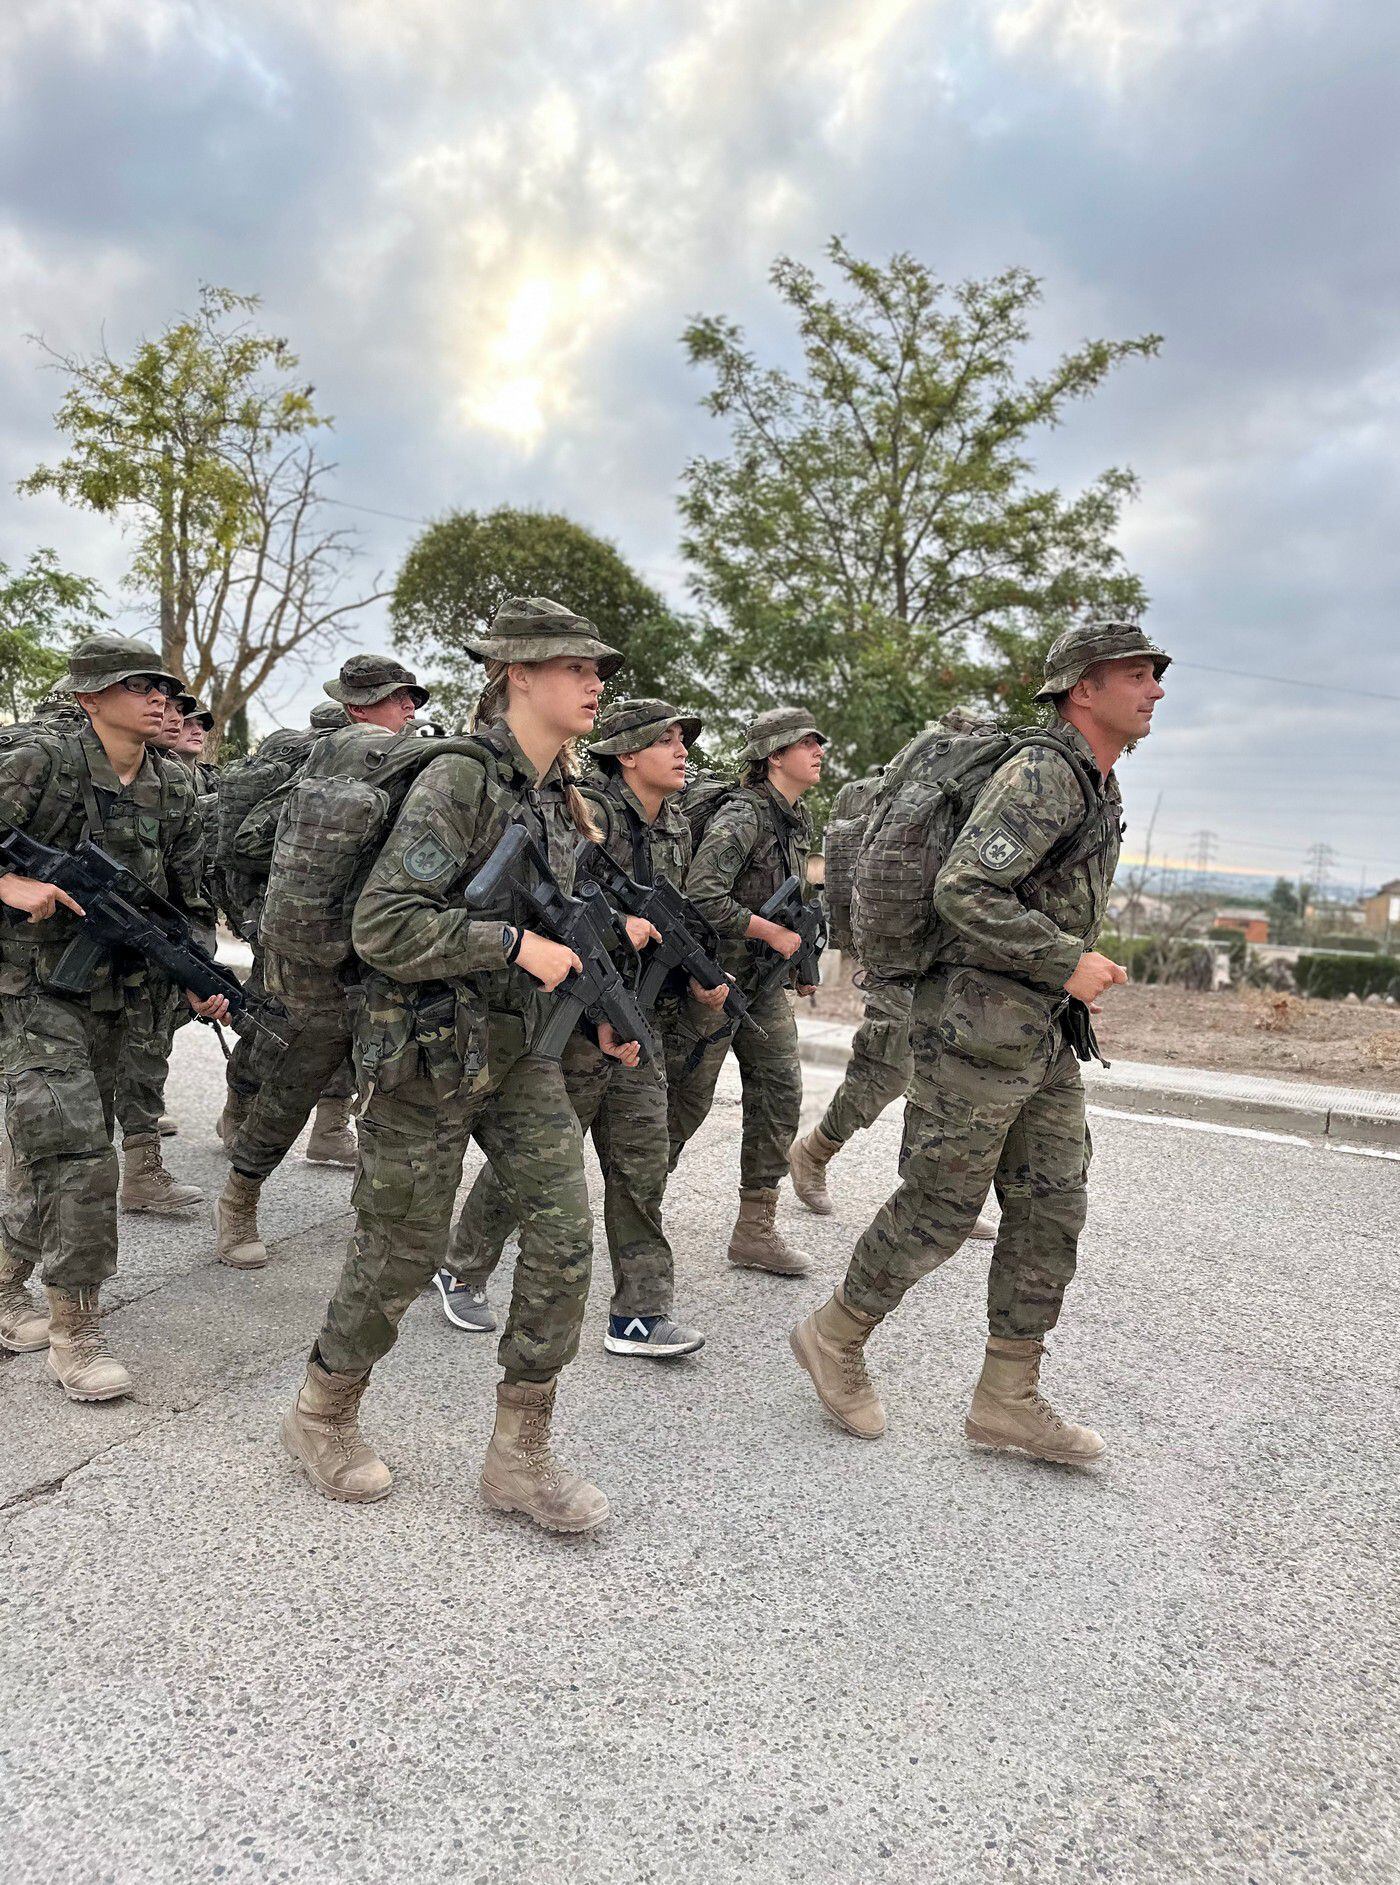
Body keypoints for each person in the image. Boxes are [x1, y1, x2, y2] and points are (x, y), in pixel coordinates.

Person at [281, 597, 641, 1534]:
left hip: (520, 1051)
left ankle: (519, 1454)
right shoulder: (458, 779)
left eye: (597, 668)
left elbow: (564, 925)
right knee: (400, 1249)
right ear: (518, 674)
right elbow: (384, 923)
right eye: (574, 666)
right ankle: (323, 1412)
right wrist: (511, 944)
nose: (595, 681)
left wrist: (597, 1009)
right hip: (424, 1051)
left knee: (565, 1233)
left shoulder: (565, 796)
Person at [789, 619, 1169, 1463]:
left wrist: (1059, 976)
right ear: (1084, 688)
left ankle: (1007, 1397)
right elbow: (967, 888)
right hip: (973, 1030)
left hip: (1039, 1034)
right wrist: (1065, 959)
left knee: (1053, 1203)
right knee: (938, 1206)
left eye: (1155, 674)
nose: (1156, 689)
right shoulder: (1044, 773)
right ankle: (835, 1334)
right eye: (1138, 673)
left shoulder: (1096, 784)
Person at [441, 697, 714, 1359]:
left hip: (630, 1017)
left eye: (684, 740)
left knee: (644, 1161)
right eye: (667, 740)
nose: (682, 752)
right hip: (567, 1020)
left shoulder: (674, 826)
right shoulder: (582, 812)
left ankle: (640, 1314)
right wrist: (615, 930)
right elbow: (541, 902)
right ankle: (462, 1265)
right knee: (536, 1163)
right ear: (626, 753)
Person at [0, 633, 229, 1393]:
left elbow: (186, 897)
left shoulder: (173, 784)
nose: (159, 697)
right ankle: (78, 1331)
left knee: (51, 1150)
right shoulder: (42, 760)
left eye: (163, 685)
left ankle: (4, 1286)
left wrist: (197, 973)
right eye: (138, 685)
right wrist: (7, 884)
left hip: (114, 997)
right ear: (88, 697)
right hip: (29, 990)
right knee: (79, 1157)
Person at [212, 658, 426, 1269]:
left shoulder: (421, 767)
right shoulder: (323, 763)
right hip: (318, 958)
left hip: (387, 950)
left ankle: (380, 1220)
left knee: (394, 1083)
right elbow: (249, 841)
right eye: (396, 700)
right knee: (295, 1079)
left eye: (411, 698)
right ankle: (239, 1198)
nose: (409, 709)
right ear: (359, 709)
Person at [788, 748, 997, 1243]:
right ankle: (813, 1152)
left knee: (956, 1083)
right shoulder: (901, 801)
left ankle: (941, 1199)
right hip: (900, 958)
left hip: (953, 960)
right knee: (884, 1072)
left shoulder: (979, 797)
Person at [667, 706, 825, 1278]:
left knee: (782, 1093)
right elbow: (701, 893)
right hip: (715, 981)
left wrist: (800, 959)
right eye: (805, 744)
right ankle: (632, 1211)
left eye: (817, 743)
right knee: (683, 1105)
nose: (818, 751)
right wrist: (770, 932)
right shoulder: (743, 816)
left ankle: (754, 1230)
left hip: (763, 984)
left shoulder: (794, 818)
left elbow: (792, 900)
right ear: (773, 757)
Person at [216, 700, 358, 1170]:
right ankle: (238, 1110)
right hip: (282, 922)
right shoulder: (307, 768)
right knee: (271, 1020)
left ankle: (331, 1126)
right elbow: (249, 845)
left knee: (347, 1024)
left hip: (343, 925)